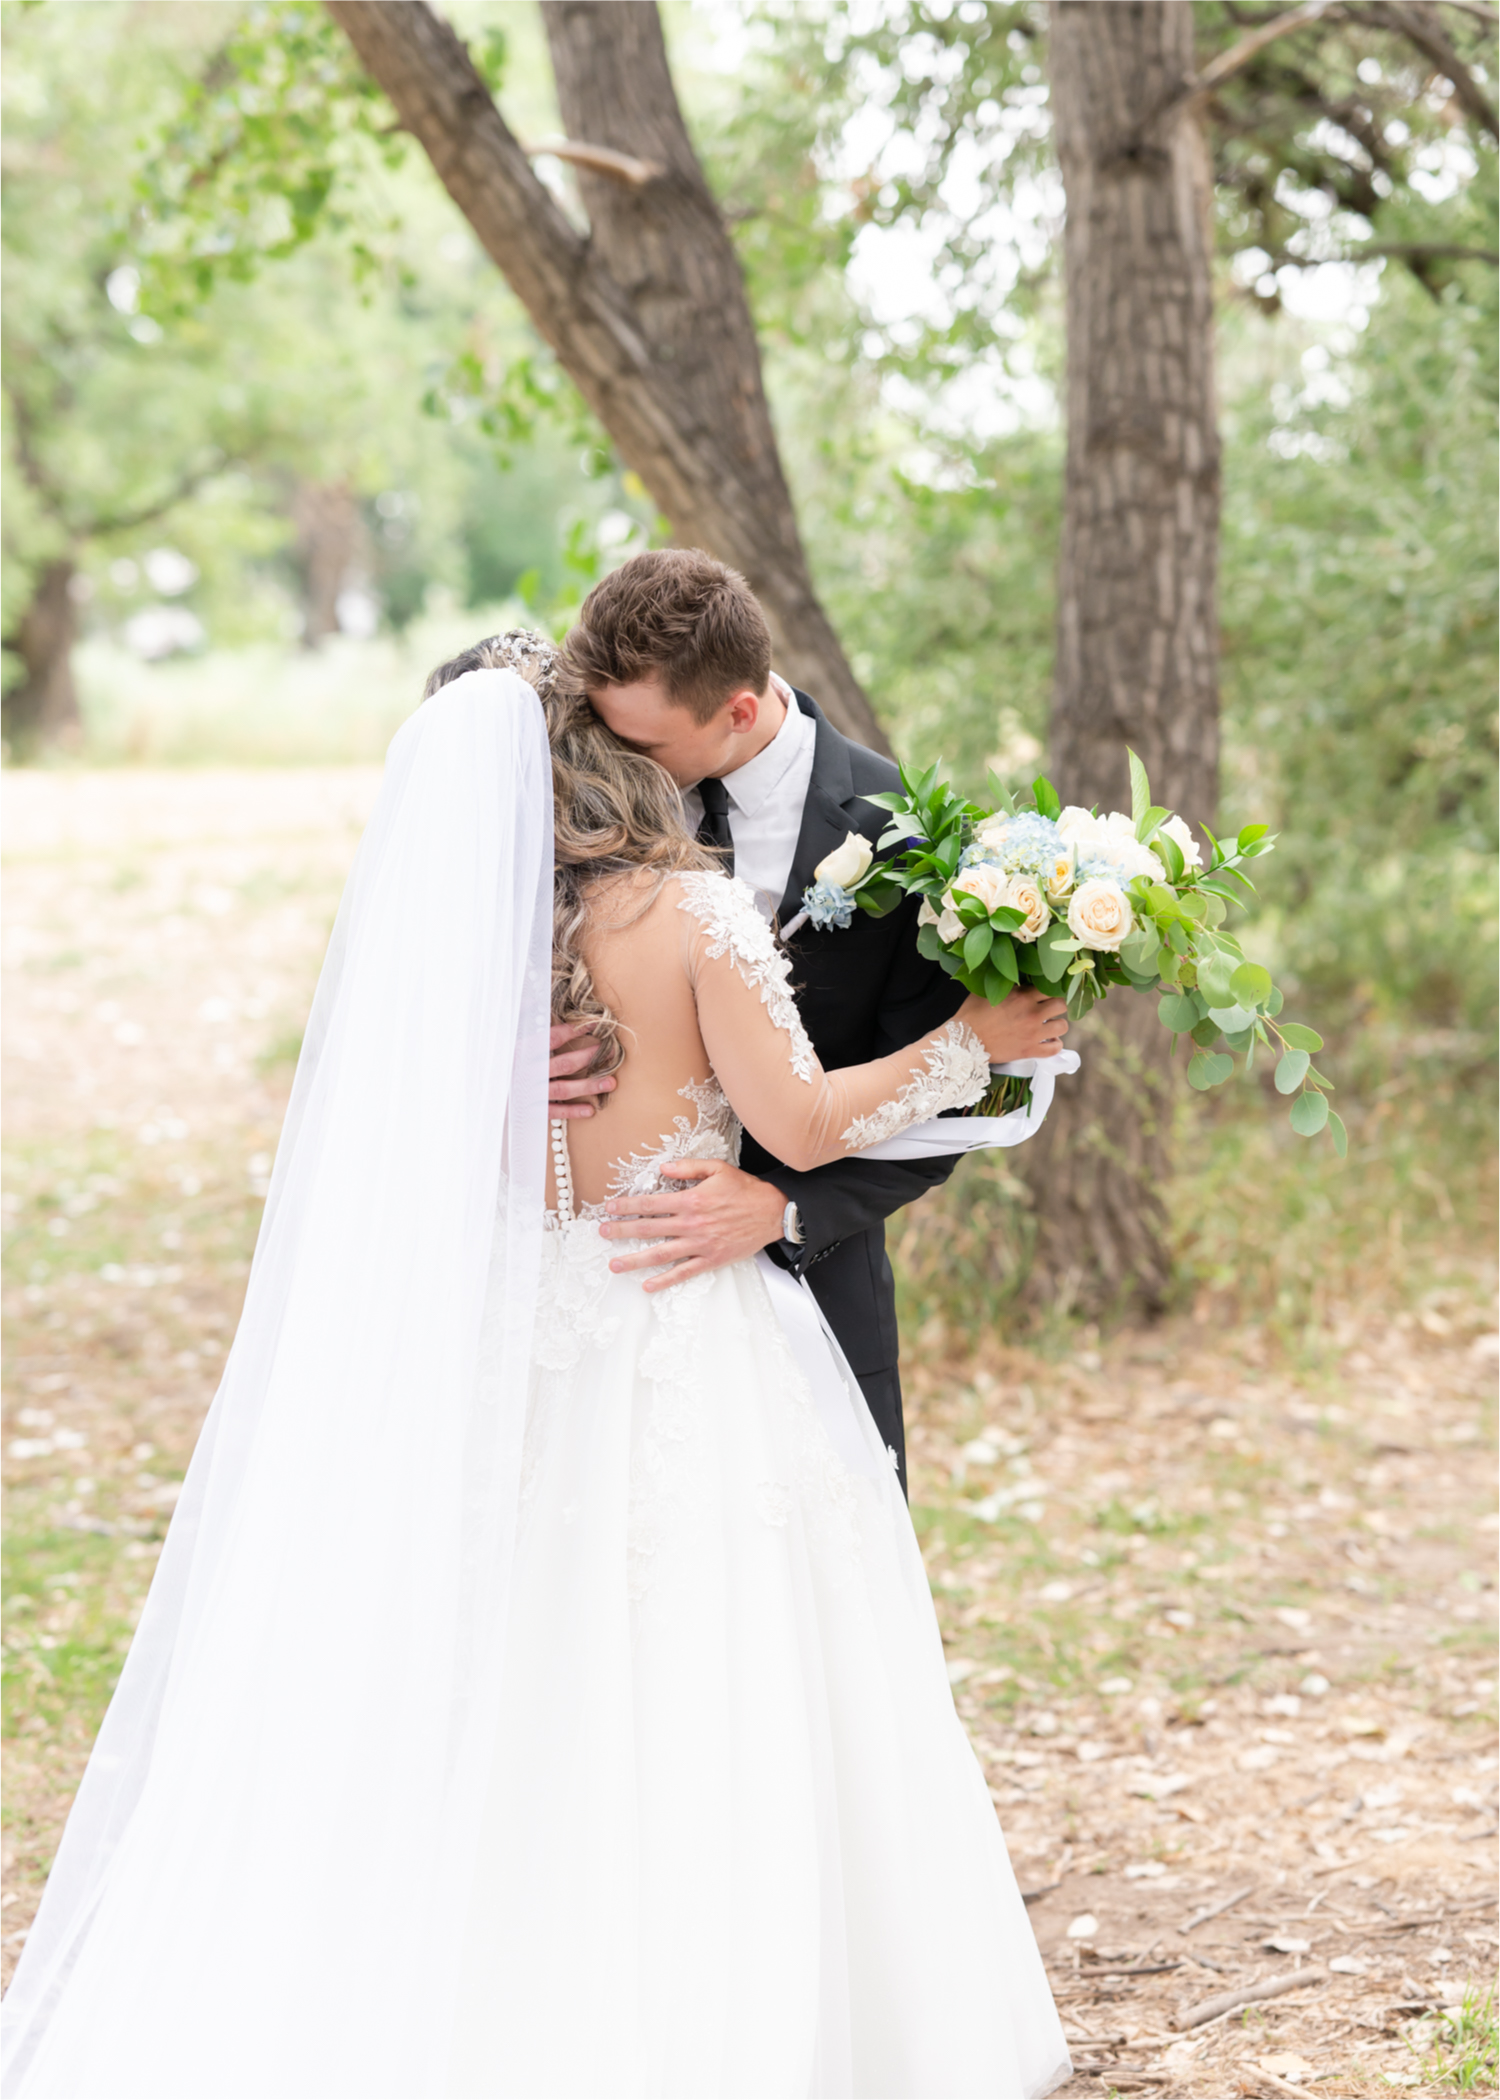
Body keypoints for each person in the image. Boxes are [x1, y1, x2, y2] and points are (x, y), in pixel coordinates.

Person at [2, 634, 1069, 2099]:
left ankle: (496, 1987)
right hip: (688, 1319)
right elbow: (809, 1126)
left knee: (522, 1665)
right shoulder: (690, 913)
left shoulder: (471, 961)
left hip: (527, 1335)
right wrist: (969, 1043)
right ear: (622, 744)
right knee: (716, 1673)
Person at [549, 550, 1067, 1487]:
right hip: (614, 1293)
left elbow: (961, 1093)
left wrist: (787, 1209)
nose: (619, 764)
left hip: (816, 1287)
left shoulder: (911, 839)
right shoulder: (584, 815)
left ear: (737, 711)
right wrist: (516, 1065)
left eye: (647, 745)